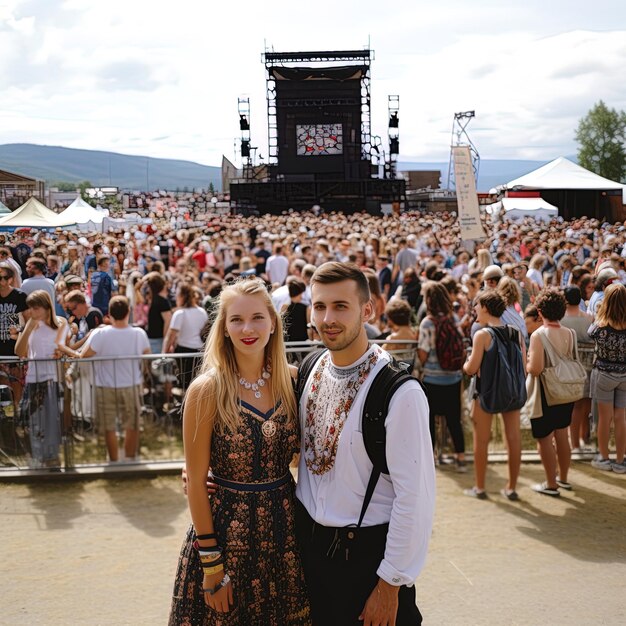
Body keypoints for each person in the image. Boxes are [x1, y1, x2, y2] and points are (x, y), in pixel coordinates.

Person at [296, 262, 434, 626]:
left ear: (368, 310)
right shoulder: (310, 367)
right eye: (320, 306)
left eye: (341, 306)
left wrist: (390, 585)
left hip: (367, 562)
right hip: (310, 553)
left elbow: (415, 498)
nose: (328, 318)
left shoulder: (399, 392)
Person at [169, 277, 311, 625]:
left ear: (273, 322)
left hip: (284, 535)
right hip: (224, 538)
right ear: (225, 328)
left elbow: (304, 456)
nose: (248, 328)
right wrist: (211, 564)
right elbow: (198, 483)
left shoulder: (293, 380)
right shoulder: (207, 390)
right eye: (236, 320)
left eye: (257, 318)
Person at [60, 296, 151, 462]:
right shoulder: (139, 333)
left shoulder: (100, 333)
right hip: (130, 384)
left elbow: (83, 355)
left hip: (105, 386)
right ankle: (130, 459)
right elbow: (146, 356)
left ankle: (114, 460)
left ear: (109, 314)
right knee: (132, 423)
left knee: (109, 426)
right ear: (128, 311)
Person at [463, 291, 524, 501]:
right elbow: (523, 365)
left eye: (477, 305)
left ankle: (480, 487)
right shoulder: (516, 332)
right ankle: (512, 487)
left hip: (486, 392)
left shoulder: (482, 335)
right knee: (514, 438)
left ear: (486, 307)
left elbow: (471, 369)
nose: (475, 309)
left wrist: (466, 361)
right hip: (511, 392)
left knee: (482, 440)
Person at [526, 289, 576, 495]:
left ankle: (550, 483)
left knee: (544, 438)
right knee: (562, 434)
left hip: (546, 393)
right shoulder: (569, 333)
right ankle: (562, 478)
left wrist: (528, 363)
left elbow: (535, 369)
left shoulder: (538, 335)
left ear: (540, 311)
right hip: (566, 389)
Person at [13, 291, 68, 468]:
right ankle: (37, 456)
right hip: (33, 379)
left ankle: (52, 458)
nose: (32, 311)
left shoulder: (60, 323)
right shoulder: (31, 325)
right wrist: (28, 327)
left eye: (36, 308)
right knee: (28, 419)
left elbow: (64, 348)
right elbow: (19, 351)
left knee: (51, 421)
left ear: (46, 307)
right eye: (30, 308)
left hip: (51, 379)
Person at [418, 281, 466, 471]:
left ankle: (432, 458)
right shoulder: (453, 318)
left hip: (432, 379)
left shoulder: (427, 323)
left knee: (429, 420)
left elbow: (423, 352)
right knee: (454, 420)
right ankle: (460, 457)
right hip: (453, 378)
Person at [588, 283, 626, 473]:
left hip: (604, 374)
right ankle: (620, 460)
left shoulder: (600, 327)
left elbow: (589, 333)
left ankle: (604, 457)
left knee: (604, 418)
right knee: (621, 418)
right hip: (625, 375)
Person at [561, 286, 594, 451]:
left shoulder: (561, 320)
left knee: (573, 407)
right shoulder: (589, 318)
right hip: (588, 367)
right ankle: (583, 439)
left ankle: (574, 443)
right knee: (585, 405)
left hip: (569, 368)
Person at [163, 283, 208, 391]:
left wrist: (163, 354)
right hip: (199, 352)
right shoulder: (202, 312)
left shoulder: (179, 313)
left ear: (182, 296)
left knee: (186, 385)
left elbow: (170, 336)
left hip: (185, 353)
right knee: (197, 383)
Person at [144, 271, 172, 353]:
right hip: (153, 339)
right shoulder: (156, 300)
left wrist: (165, 340)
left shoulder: (162, 301)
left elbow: (168, 321)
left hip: (158, 340)